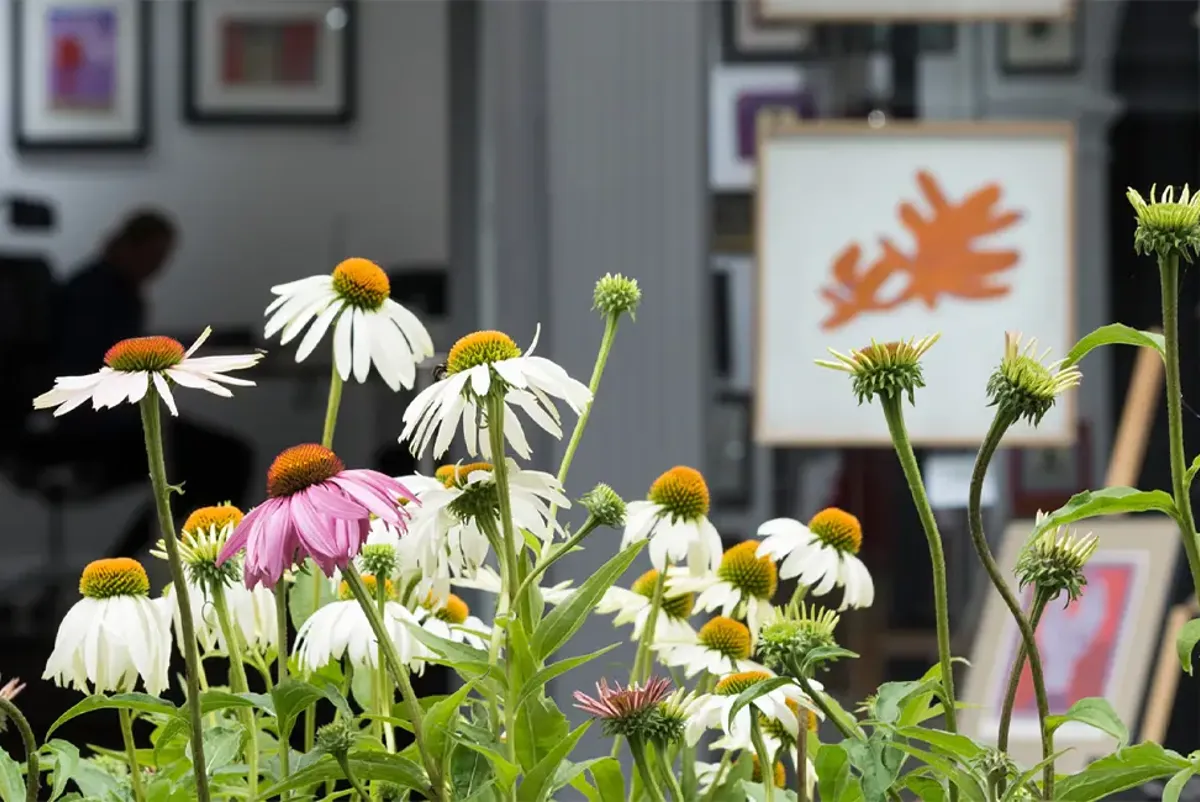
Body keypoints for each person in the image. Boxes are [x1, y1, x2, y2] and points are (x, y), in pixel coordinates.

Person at [48, 209, 254, 558]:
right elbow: (102, 362)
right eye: (155, 257)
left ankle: (142, 554)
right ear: (131, 246)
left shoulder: (102, 287)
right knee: (225, 458)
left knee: (208, 462)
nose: (158, 268)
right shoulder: (100, 294)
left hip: (102, 424)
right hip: (97, 430)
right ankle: (151, 558)